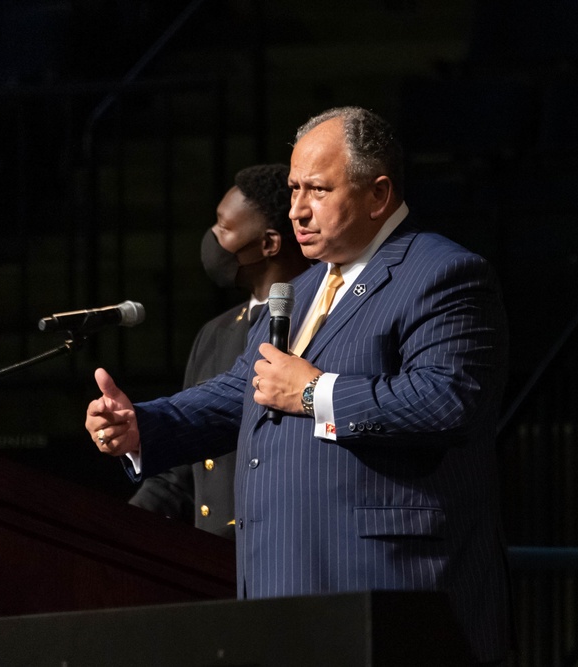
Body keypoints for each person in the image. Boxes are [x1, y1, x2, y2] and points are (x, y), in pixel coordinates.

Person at [86, 107, 512, 664]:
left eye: (317, 189)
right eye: (292, 189)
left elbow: (450, 402)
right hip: (281, 589)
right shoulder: (303, 289)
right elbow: (244, 390)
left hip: (390, 593)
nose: (296, 211)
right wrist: (144, 424)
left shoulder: (442, 274)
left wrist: (314, 393)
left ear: (378, 195)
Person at [128, 163, 310, 538]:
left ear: (269, 244)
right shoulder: (216, 332)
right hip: (212, 557)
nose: (213, 238)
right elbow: (179, 476)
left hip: (280, 544)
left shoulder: (320, 316)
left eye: (225, 229)